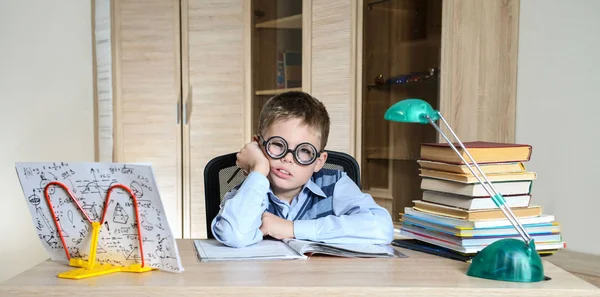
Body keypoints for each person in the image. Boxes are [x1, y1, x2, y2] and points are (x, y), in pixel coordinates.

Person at [211, 91, 394, 248]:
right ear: (258, 146)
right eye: (277, 145)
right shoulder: (250, 191)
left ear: (319, 162)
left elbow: (382, 228)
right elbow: (233, 234)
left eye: (304, 151)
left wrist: (290, 228)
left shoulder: (335, 184)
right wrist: (259, 168)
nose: (288, 158)